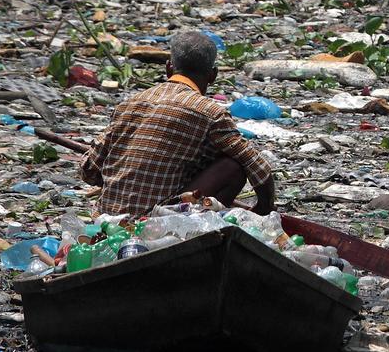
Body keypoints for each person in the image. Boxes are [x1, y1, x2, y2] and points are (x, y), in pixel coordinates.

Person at [80, 29, 276, 217]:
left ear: (168, 68)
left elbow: (89, 171)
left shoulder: (129, 104)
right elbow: (258, 167)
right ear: (213, 75)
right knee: (233, 167)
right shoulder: (210, 112)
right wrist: (264, 209)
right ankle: (196, 234)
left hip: (106, 218)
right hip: (157, 222)